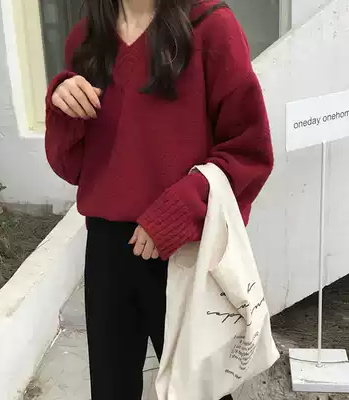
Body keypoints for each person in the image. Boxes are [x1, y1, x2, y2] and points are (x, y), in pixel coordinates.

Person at [45, 0, 273, 398]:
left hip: (185, 250)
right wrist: (63, 105)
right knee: (111, 389)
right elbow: (73, 167)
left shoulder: (211, 27)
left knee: (201, 391)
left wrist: (181, 210)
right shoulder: (86, 40)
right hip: (107, 252)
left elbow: (249, 150)